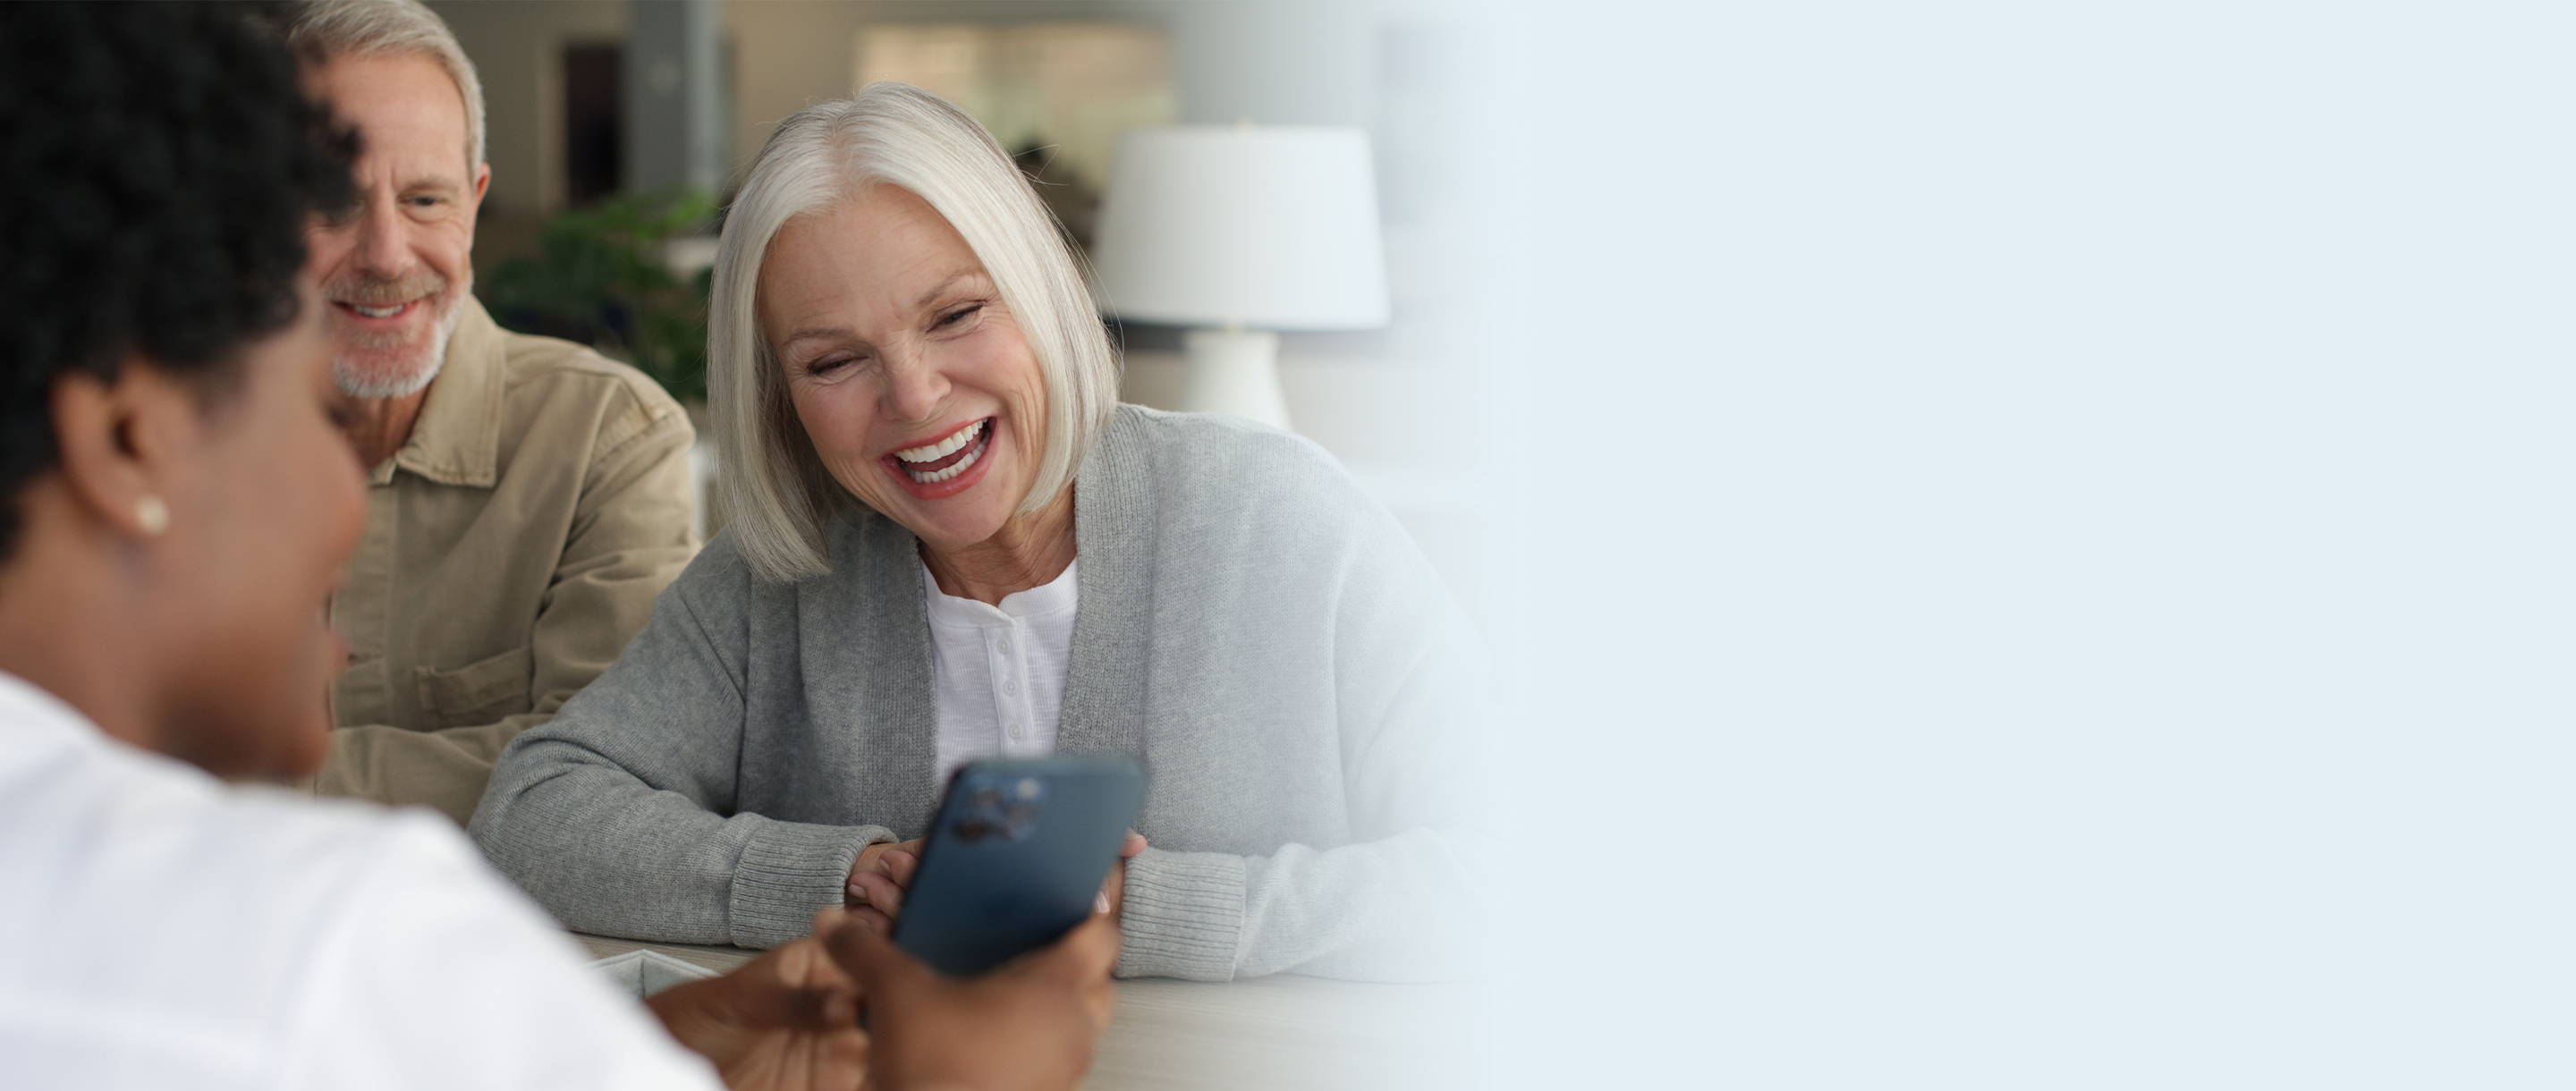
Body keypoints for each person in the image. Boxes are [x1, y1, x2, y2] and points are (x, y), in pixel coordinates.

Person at [0, 6, 1114, 1089]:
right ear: (127, 440)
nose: (356, 503)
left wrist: (629, 1048)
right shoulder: (336, 935)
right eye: (304, 407)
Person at [471, 83, 1491, 981]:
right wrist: (839, 878)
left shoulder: (1282, 517)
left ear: (1040, 294)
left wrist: (1158, 910)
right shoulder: (769, 581)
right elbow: (534, 816)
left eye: (956, 314)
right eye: (834, 362)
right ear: (779, 398)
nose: (914, 396)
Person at [288, 0, 700, 825]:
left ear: (474, 202)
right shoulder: (159, 441)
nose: (386, 255)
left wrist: (234, 786)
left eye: (426, 201)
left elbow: (612, 772)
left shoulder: (604, 439)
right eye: (334, 203)